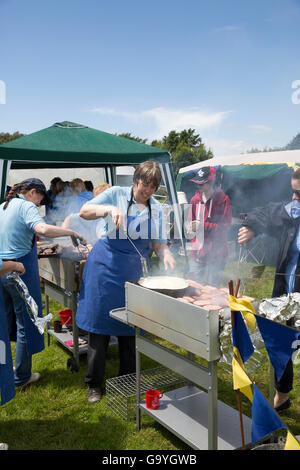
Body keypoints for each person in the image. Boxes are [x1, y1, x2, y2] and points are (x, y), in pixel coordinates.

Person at [76, 161, 176, 404]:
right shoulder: (116, 194)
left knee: (130, 328)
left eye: (153, 186)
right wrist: (109, 210)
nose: (148, 190)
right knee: (99, 328)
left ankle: (127, 380)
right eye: (144, 184)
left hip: (133, 272)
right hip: (105, 268)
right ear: (135, 180)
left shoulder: (156, 209)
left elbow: (158, 244)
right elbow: (84, 211)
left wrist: (166, 254)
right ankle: (95, 384)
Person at [0, 178, 86, 389]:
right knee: (26, 326)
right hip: (18, 271)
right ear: (31, 192)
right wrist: (71, 232)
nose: (39, 203)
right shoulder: (26, 206)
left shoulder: (3, 206)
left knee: (5, 323)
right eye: (40, 198)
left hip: (2, 269)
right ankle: (21, 377)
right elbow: (42, 229)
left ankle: (7, 371)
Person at [238, 167, 300, 412]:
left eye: (299, 193)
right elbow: (269, 213)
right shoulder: (293, 213)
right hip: (286, 294)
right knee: (281, 344)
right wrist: (252, 227)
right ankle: (282, 396)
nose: (294, 198)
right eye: (293, 192)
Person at [187, 166, 232, 287]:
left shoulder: (223, 199)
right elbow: (190, 222)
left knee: (213, 289)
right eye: (197, 183)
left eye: (201, 183)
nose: (198, 186)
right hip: (198, 250)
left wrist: (202, 225)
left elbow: (225, 227)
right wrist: (190, 227)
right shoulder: (194, 200)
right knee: (194, 287)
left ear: (211, 182)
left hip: (217, 251)